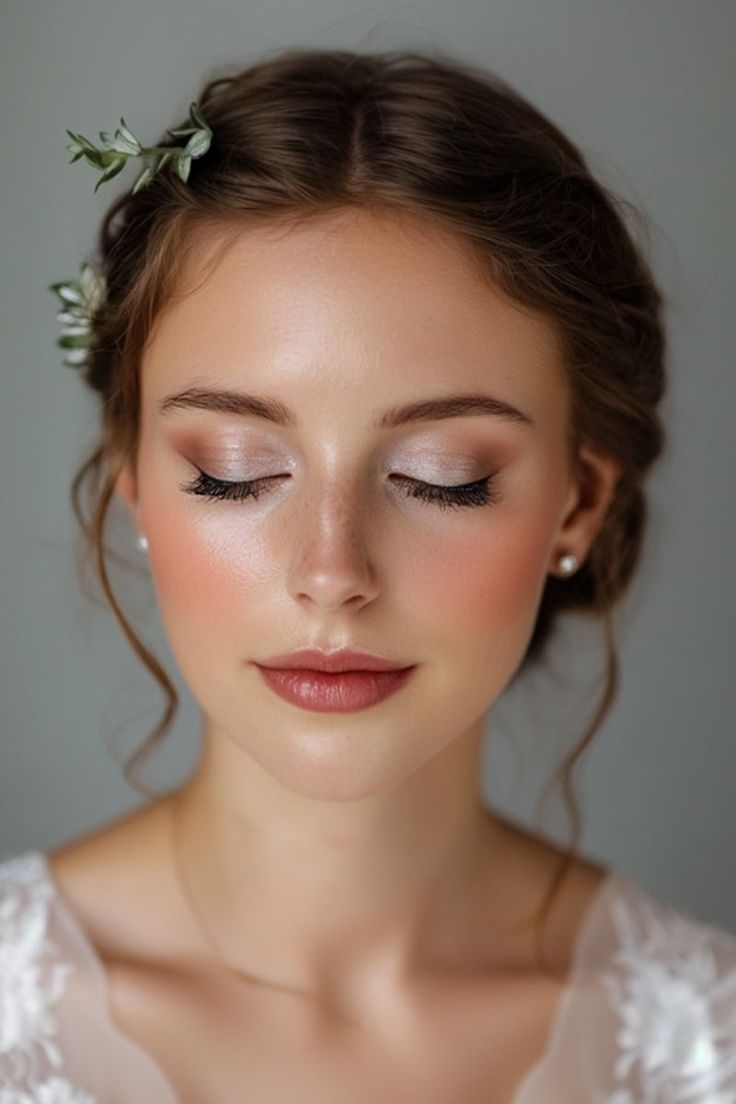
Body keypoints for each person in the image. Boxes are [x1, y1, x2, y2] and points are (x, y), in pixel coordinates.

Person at [1, 46, 735, 1103]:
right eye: (233, 472)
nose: (330, 571)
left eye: (443, 478)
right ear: (135, 481)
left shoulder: (700, 1046)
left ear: (577, 502)